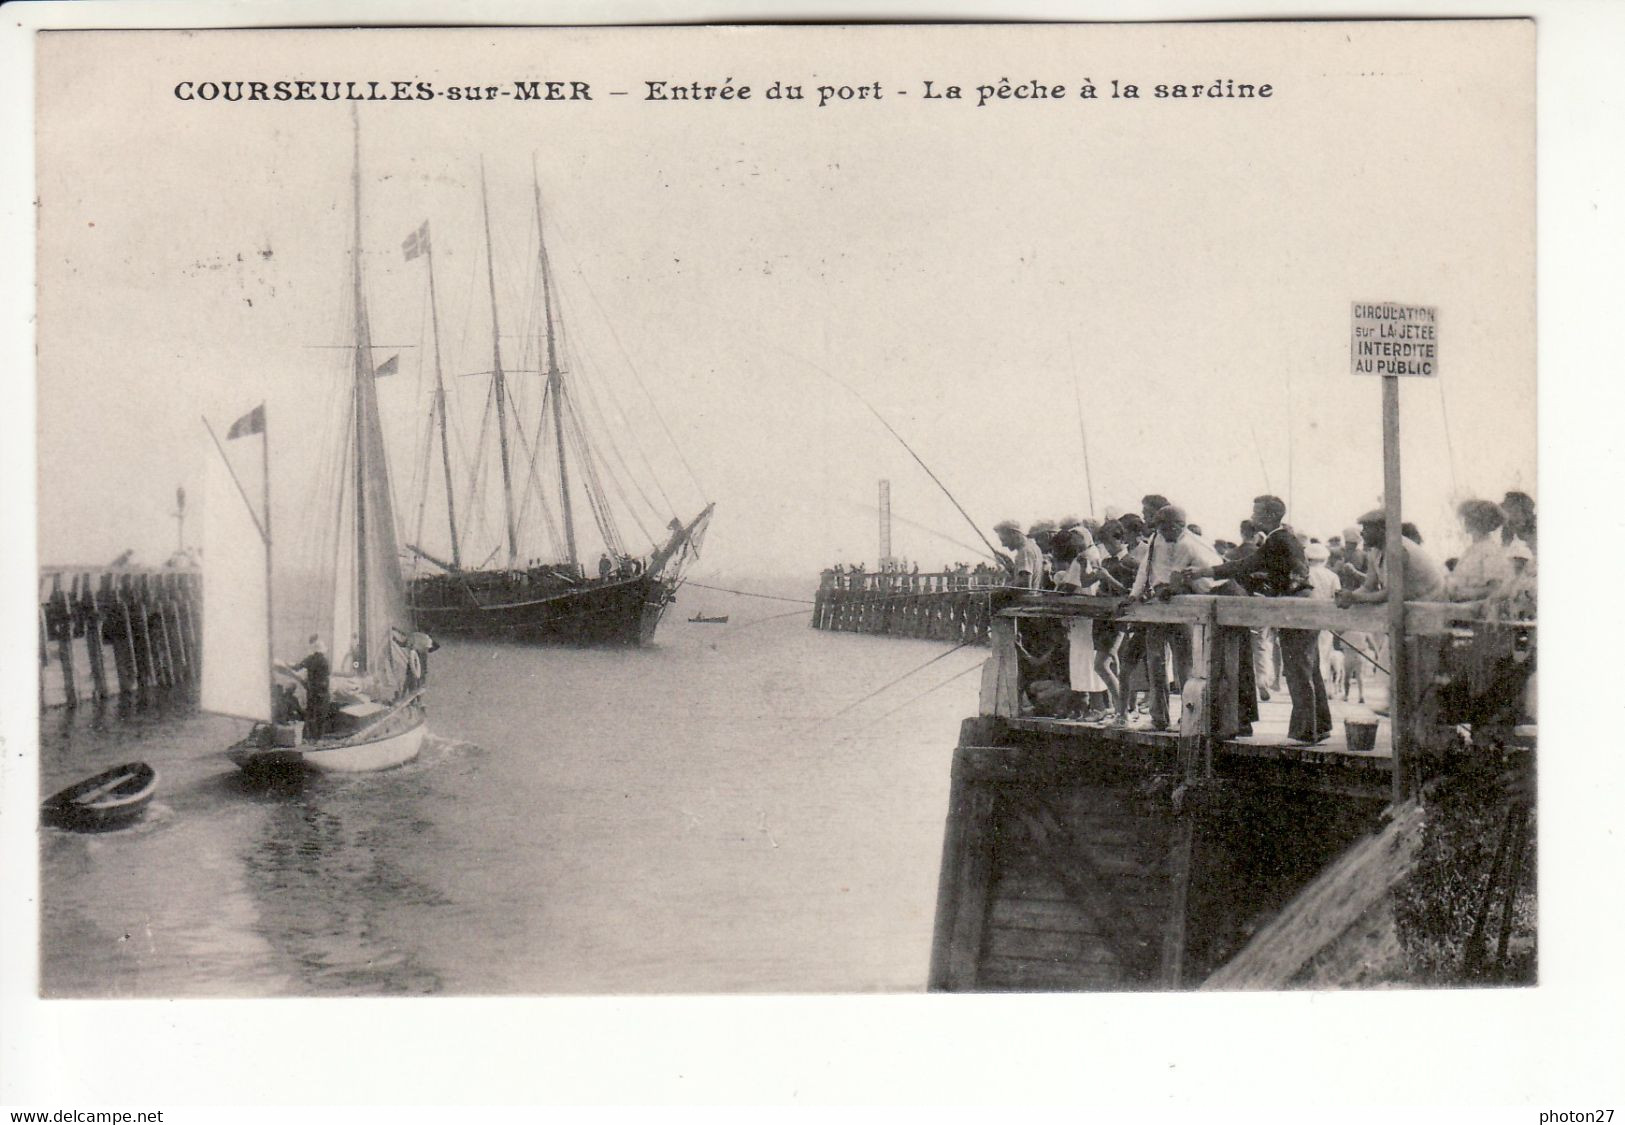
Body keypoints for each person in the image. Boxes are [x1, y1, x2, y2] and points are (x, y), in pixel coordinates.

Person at [1184, 495, 1319, 740]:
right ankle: (1317, 727)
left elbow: (1246, 564)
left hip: (1297, 607)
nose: (1253, 516)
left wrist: (1204, 571)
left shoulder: (1277, 539)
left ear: (1269, 515)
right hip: (1302, 603)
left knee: (1298, 670)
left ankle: (1307, 732)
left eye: (1256, 512)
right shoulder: (1283, 538)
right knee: (1306, 669)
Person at [1129, 505, 1220, 731]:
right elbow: (1144, 570)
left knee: (1185, 665)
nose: (1162, 532)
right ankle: (1158, 717)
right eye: (1159, 528)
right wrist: (1134, 595)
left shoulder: (1192, 544)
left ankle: (1187, 717)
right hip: (1159, 606)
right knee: (1155, 662)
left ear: (1179, 526)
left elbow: (1198, 577)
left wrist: (1174, 587)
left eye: (1166, 528)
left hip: (1183, 607)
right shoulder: (1155, 540)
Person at [1447, 499, 1512, 601]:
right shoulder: (1472, 549)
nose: (1465, 521)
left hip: (1476, 611)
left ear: (1478, 521)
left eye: (1468, 518)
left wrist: (1464, 594)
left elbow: (1495, 589)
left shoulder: (1490, 551)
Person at [283, 634, 331, 740]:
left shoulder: (310, 659)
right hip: (323, 692)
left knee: (311, 715)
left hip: (312, 692)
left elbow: (297, 667)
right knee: (321, 716)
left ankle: (309, 738)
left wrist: (287, 664)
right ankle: (319, 739)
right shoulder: (325, 661)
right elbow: (327, 675)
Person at [994, 519, 1044, 590]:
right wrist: (1011, 567)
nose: (1003, 545)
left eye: (1003, 540)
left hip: (1024, 600)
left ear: (1013, 533)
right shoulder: (1033, 547)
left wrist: (1003, 588)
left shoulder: (1024, 551)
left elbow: (1024, 586)